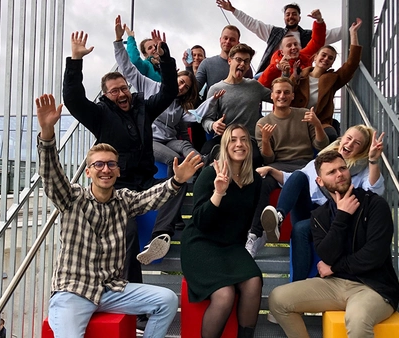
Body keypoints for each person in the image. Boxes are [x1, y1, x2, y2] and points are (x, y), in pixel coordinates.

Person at [36, 94, 203, 338]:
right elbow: (51, 174)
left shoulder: (124, 200)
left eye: (111, 164)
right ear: (88, 173)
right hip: (73, 290)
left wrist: (177, 180)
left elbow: (152, 197)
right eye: (99, 165)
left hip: (111, 290)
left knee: (166, 300)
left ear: (118, 170)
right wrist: (47, 135)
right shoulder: (72, 198)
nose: (106, 169)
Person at [62, 29, 178, 329]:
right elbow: (73, 99)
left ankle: (160, 236)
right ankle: (138, 310)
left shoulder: (142, 107)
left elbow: (168, 92)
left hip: (146, 180)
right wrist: (75, 61)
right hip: (118, 187)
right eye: (114, 91)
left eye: (123, 88)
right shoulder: (99, 114)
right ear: (106, 95)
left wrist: (165, 60)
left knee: (180, 183)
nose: (122, 94)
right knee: (125, 235)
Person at [268, 150, 399, 338]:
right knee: (278, 299)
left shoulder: (375, 205)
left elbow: (374, 255)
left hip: (373, 287)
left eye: (342, 168)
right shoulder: (319, 216)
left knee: (357, 320)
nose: (339, 174)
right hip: (335, 285)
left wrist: (336, 267)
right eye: (331, 172)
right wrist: (342, 216)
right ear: (320, 181)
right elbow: (327, 255)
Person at [259, 125, 385, 281]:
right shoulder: (322, 160)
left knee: (300, 229)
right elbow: (292, 179)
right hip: (312, 212)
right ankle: (279, 216)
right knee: (298, 176)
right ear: (342, 138)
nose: (350, 144)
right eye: (349, 138)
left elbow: (374, 190)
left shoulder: (361, 170)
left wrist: (373, 161)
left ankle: (299, 284)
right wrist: (271, 170)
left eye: (357, 143)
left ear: (362, 150)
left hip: (335, 216)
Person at [181, 124, 262, 338]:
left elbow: (249, 221)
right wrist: (218, 192)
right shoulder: (210, 174)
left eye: (244, 139)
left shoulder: (255, 181)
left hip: (231, 246)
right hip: (201, 242)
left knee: (254, 281)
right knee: (224, 294)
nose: (239, 144)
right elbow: (200, 221)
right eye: (233, 139)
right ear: (225, 145)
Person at [245, 77, 328, 257]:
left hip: (305, 164)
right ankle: (255, 234)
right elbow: (269, 159)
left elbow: (322, 146)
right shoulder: (262, 123)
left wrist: (317, 124)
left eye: (286, 92)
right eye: (278, 92)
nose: (282, 95)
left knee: (312, 181)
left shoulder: (304, 114)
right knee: (262, 182)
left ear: (292, 96)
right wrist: (266, 140)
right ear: (272, 96)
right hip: (278, 164)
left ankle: (313, 236)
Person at [114, 16, 200, 177]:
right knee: (174, 158)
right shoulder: (150, 85)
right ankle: (171, 192)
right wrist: (119, 41)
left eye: (186, 87)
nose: (181, 87)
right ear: (175, 78)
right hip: (150, 138)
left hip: (169, 140)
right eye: (180, 82)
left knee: (184, 147)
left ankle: (205, 164)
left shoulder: (180, 105)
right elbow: (128, 68)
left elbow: (189, 123)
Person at [216, 0, 342, 74]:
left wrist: (351, 29)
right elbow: (253, 24)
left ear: (299, 18)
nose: (290, 16)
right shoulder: (273, 32)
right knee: (255, 81)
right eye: (288, 14)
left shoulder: (309, 36)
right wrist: (233, 10)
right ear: (284, 17)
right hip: (274, 71)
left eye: (294, 14)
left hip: (298, 74)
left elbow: (330, 35)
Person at [291, 18, 363, 142]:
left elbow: (352, 64)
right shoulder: (300, 75)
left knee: (331, 135)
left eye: (330, 58)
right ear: (315, 57)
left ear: (332, 64)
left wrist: (353, 33)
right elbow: (285, 92)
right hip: (296, 121)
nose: (326, 59)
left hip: (320, 122)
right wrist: (293, 77)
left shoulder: (333, 80)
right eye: (323, 55)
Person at [200, 43, 271, 168]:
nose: (242, 64)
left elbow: (278, 97)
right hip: (224, 139)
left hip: (249, 140)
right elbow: (206, 120)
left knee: (255, 159)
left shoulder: (255, 86)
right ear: (229, 60)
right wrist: (214, 125)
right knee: (206, 152)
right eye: (238, 59)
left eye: (246, 61)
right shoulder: (215, 89)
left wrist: (286, 75)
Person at [257, 9, 326, 88]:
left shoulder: (304, 55)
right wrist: (277, 68)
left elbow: (317, 42)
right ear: (282, 51)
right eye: (289, 45)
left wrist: (319, 21)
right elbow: (260, 86)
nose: (293, 47)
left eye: (296, 44)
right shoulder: (277, 62)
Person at [195, 25, 253, 98]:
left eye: (232, 40)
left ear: (238, 43)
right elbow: (195, 89)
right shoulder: (207, 63)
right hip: (213, 107)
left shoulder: (244, 67)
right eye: (225, 38)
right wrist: (188, 67)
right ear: (220, 39)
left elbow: (251, 92)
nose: (228, 42)